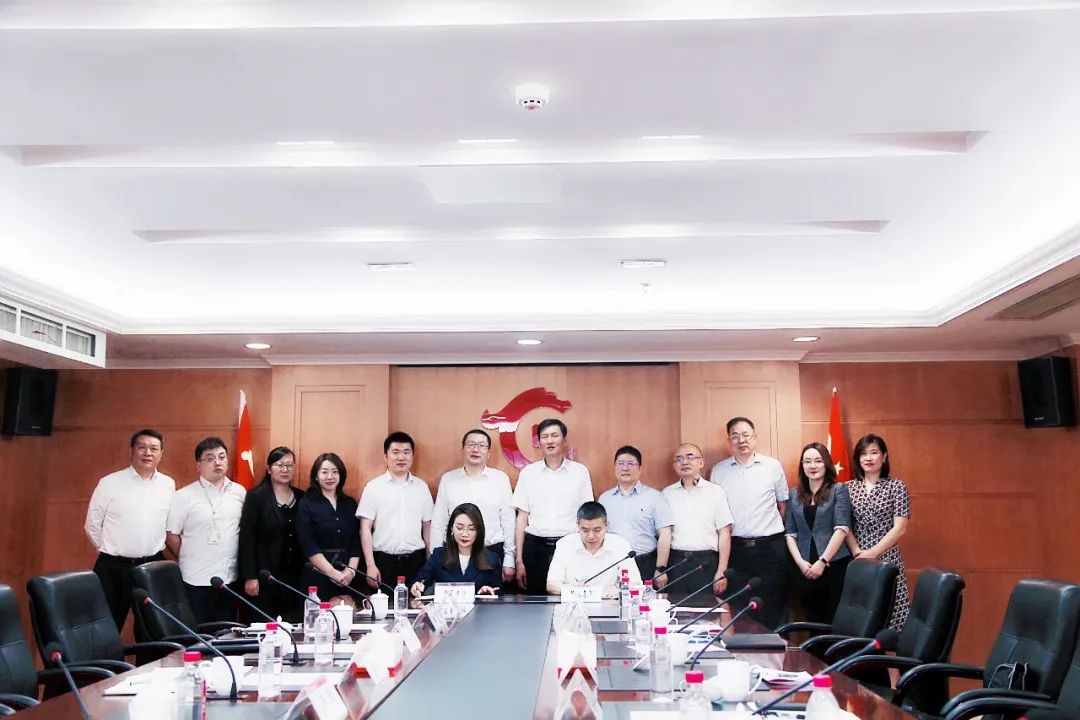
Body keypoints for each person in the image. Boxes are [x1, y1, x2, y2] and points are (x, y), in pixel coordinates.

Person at [84, 429, 176, 631]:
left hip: (153, 564)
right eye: (142, 447)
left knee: (152, 627)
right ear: (132, 450)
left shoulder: (168, 485)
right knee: (107, 627)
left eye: (154, 449)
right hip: (113, 567)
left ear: (161, 454)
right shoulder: (110, 483)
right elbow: (92, 524)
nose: (147, 453)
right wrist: (110, 550)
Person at [709, 417, 789, 629]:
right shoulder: (718, 471)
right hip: (736, 550)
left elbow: (783, 506)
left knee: (774, 604)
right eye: (735, 436)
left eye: (746, 435)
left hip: (770, 549)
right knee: (739, 607)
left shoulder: (772, 466)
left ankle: (778, 649)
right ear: (729, 440)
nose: (741, 440)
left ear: (754, 438)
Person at [165, 437, 246, 623]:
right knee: (199, 635)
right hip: (195, 579)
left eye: (222, 457)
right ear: (198, 465)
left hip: (229, 579)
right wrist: (189, 555)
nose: (217, 462)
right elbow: (171, 536)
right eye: (210, 458)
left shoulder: (239, 492)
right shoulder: (183, 496)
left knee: (228, 633)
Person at [512, 418, 594, 594]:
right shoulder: (528, 473)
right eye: (545, 437)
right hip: (535, 548)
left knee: (570, 597)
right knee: (536, 602)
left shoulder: (580, 472)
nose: (550, 441)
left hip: (569, 545)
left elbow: (587, 516)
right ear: (539, 442)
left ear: (564, 440)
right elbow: (521, 518)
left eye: (554, 435)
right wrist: (519, 560)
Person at [430, 429, 515, 586]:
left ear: (488, 453)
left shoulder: (500, 479)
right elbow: (439, 522)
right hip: (455, 554)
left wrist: (509, 558)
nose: (476, 449)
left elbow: (509, 521)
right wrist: (435, 557)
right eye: (471, 445)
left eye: (481, 445)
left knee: (489, 598)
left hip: (491, 552)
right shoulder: (448, 479)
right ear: (462, 449)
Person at [846, 434, 911, 630]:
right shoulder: (848, 488)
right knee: (861, 619)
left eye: (874, 453)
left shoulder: (896, 486)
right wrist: (857, 551)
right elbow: (843, 525)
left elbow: (900, 528)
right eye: (863, 454)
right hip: (858, 558)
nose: (868, 458)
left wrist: (873, 553)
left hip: (888, 558)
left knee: (891, 617)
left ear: (884, 456)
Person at [785, 442, 852, 624]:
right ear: (802, 465)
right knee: (811, 619)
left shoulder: (839, 490)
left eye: (818, 461)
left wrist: (822, 562)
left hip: (833, 565)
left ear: (826, 464)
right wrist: (800, 562)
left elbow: (842, 529)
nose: (812, 466)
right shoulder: (794, 494)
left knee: (832, 621)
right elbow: (790, 533)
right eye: (807, 461)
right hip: (804, 567)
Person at [358, 432, 433, 590]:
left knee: (417, 603)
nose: (401, 457)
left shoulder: (421, 487)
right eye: (395, 452)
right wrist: (370, 565)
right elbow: (365, 528)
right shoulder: (373, 487)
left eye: (406, 452)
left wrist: (429, 561)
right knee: (383, 604)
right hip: (383, 563)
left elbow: (427, 527)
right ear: (386, 457)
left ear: (412, 456)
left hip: (415, 561)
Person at [238, 446, 305, 620]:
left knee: (293, 624)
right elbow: (247, 538)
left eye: (289, 465)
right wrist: (250, 576)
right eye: (279, 465)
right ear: (269, 469)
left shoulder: (302, 497)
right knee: (265, 625)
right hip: (265, 576)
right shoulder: (256, 496)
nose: (285, 469)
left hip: (295, 577)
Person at [662, 443, 733, 603]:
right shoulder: (667, 494)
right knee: (676, 610)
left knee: (707, 611)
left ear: (701, 462)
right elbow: (664, 534)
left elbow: (724, 532)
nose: (685, 462)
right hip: (677, 563)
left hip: (706, 563)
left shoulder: (716, 492)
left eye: (690, 457)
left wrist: (722, 571)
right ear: (674, 465)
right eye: (679, 459)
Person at [598, 445, 674, 586]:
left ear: (639, 469)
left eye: (630, 463)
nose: (625, 468)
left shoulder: (655, 497)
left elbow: (665, 534)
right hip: (614, 564)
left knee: (645, 600)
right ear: (615, 468)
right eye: (621, 463)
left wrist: (660, 569)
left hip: (646, 564)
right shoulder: (604, 499)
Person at [296, 452, 362, 601]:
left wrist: (351, 571)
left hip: (348, 577)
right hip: (317, 574)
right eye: (324, 472)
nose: (330, 477)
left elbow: (356, 542)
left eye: (335, 472)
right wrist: (331, 572)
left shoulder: (350, 503)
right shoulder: (306, 504)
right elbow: (308, 544)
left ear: (341, 475)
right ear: (316, 476)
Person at [546, 502, 642, 597]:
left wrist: (618, 590)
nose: (591, 536)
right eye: (585, 530)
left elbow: (636, 583)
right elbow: (552, 585)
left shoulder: (620, 545)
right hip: (574, 602)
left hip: (608, 602)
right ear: (577, 525)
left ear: (606, 525)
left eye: (597, 530)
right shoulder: (565, 544)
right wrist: (578, 590)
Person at [411, 503, 501, 597]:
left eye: (471, 529)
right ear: (451, 528)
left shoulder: (491, 559)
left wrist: (488, 593)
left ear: (479, 531)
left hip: (480, 606)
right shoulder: (438, 555)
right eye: (459, 528)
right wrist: (417, 586)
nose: (465, 534)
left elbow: (499, 593)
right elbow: (421, 580)